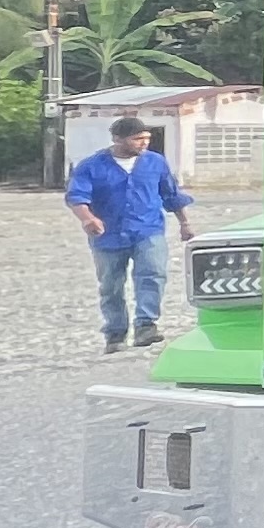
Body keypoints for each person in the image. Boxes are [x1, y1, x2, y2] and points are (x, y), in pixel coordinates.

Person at [66, 116, 197, 354]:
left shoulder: (155, 162)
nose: (144, 143)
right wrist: (88, 218)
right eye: (137, 139)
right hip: (107, 235)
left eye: (146, 138)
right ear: (118, 139)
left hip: (147, 229)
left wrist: (184, 223)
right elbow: (77, 196)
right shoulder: (91, 166)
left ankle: (146, 325)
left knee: (153, 274)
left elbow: (170, 194)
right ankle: (115, 332)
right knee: (111, 285)